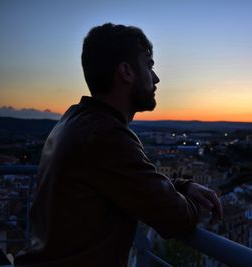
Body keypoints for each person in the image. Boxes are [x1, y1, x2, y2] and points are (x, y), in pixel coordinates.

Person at [14, 23, 222, 267]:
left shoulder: (73, 120)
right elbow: (176, 218)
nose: (156, 78)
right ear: (126, 71)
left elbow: (120, 181)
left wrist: (179, 187)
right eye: (149, 64)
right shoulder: (106, 136)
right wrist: (201, 203)